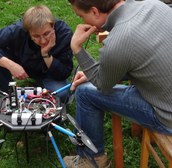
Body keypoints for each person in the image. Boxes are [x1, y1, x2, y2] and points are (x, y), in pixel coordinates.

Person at [64, 0, 172, 167]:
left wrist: (76, 47)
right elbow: (140, 59)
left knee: (84, 93)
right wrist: (94, 72)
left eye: (81, 16)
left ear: (94, 11)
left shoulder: (119, 40)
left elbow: (102, 84)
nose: (83, 22)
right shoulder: (155, 5)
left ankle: (93, 159)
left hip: (167, 116)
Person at [0, 5, 73, 103]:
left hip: (49, 72)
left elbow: (63, 73)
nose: (42, 41)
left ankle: (43, 86)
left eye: (46, 34)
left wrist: (46, 54)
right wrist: (11, 65)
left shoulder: (64, 33)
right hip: (22, 62)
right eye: (36, 36)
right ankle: (7, 93)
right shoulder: (17, 29)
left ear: (52, 26)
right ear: (28, 31)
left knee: (62, 95)